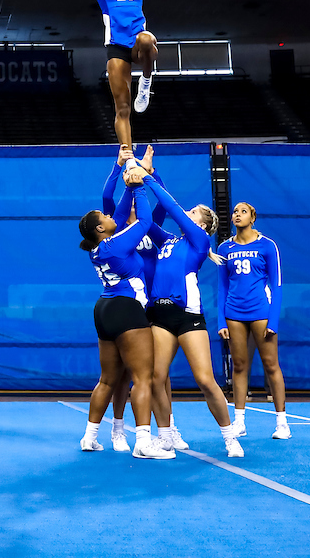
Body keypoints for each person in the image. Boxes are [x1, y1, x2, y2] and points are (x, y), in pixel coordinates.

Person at [32, 0, 198, 146]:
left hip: (138, 45)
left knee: (147, 39)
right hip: (116, 47)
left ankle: (146, 83)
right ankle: (127, 154)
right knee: (122, 108)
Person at [139, 168, 244, 458]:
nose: (190, 210)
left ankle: (229, 436)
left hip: (188, 316)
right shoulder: (169, 241)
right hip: (160, 313)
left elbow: (171, 207)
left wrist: (147, 180)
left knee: (205, 379)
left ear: (203, 223)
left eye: (195, 211)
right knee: (157, 376)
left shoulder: (199, 240)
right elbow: (148, 222)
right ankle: (165, 436)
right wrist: (151, 174)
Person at [77, 167, 173, 459]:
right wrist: (141, 185)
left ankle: (89, 437)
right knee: (143, 377)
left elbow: (118, 216)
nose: (110, 217)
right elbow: (144, 220)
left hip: (104, 309)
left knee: (107, 379)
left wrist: (129, 182)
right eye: (104, 218)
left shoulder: (101, 246)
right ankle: (143, 441)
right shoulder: (118, 244)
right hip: (126, 308)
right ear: (99, 229)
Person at [217, 202, 289, 440]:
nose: (237, 214)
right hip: (234, 313)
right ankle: (239, 421)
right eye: (235, 212)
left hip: (261, 312)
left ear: (253, 217)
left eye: (243, 212)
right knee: (239, 366)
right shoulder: (224, 248)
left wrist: (273, 321)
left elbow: (277, 286)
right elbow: (222, 286)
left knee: (271, 365)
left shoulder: (267, 246)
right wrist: (221, 321)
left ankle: (282, 423)